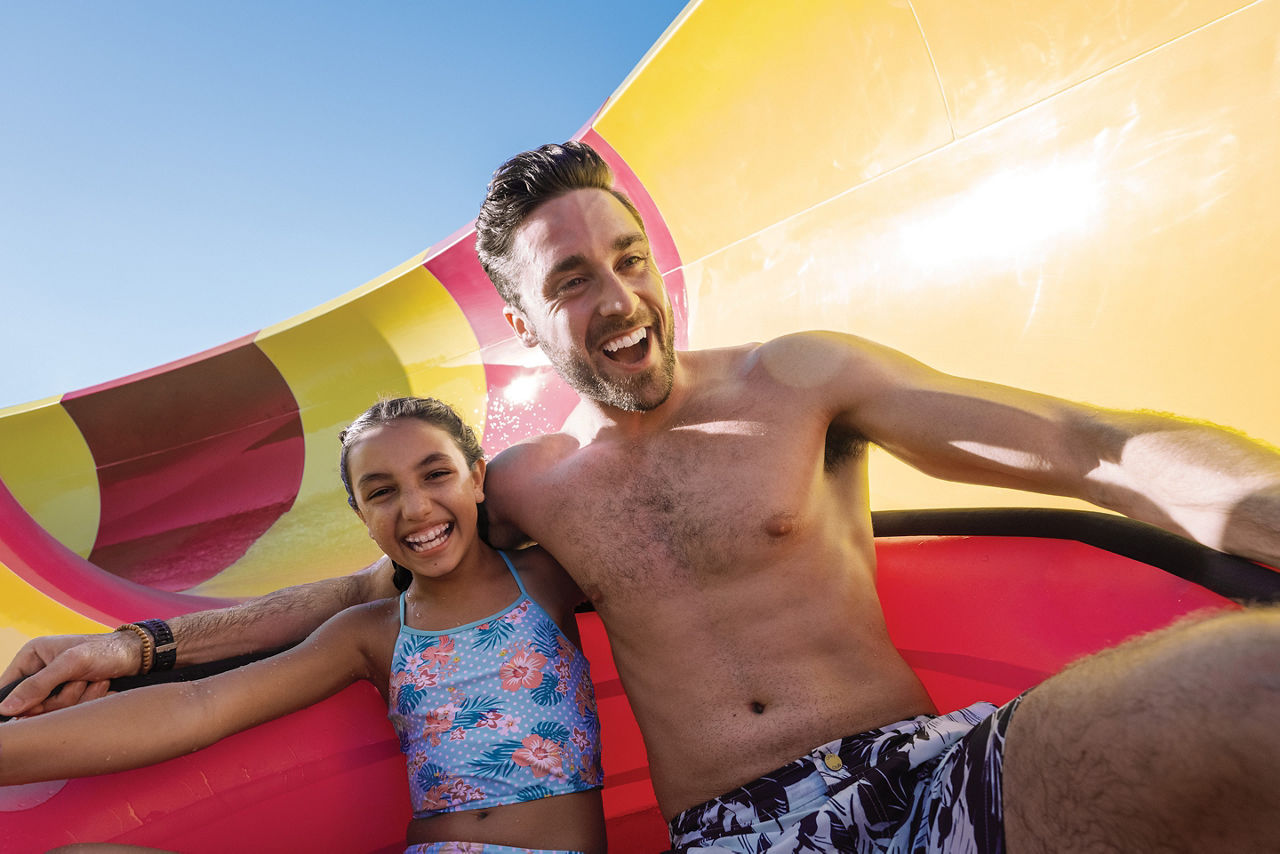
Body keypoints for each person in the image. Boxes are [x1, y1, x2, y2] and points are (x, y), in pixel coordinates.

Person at [4, 141, 1280, 852]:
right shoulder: (533, 487)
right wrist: (136, 640)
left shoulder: (799, 379)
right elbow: (356, 591)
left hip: (933, 780)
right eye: (569, 281)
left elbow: (1089, 447)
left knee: (1250, 684)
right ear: (518, 314)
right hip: (735, 840)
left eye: (624, 259)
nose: (614, 298)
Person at [0, 397, 606, 854]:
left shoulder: (547, 576)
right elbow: (202, 705)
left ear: (477, 477)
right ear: (361, 516)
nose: (415, 507)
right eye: (381, 491)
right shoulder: (371, 632)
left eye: (435, 474)